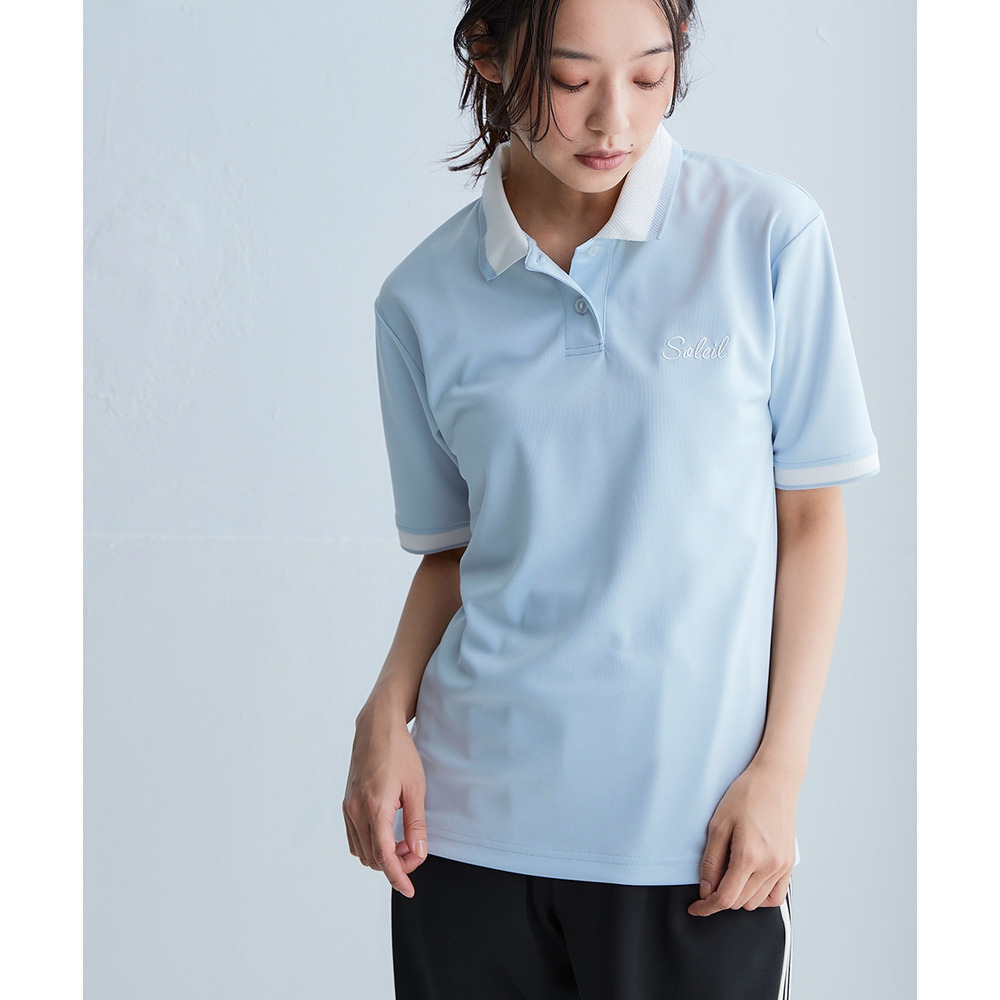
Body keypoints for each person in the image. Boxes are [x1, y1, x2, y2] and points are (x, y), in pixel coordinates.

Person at [344, 0, 879, 996]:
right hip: (465, 840)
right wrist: (384, 713)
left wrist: (781, 770)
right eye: (570, 79)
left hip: (693, 848)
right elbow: (456, 552)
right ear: (489, 54)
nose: (614, 122)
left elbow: (810, 522)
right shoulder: (419, 299)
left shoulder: (766, 236)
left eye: (647, 75)